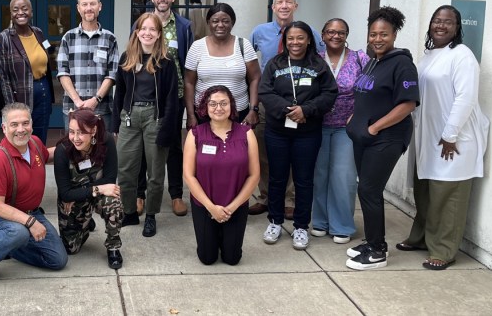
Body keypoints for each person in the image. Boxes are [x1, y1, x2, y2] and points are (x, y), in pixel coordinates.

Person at [398, 5, 489, 270]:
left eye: (448, 22)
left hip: (453, 139)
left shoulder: (462, 56)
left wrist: (450, 135)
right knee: (426, 193)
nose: (441, 25)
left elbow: (466, 98)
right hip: (428, 137)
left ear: (457, 27)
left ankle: (444, 250)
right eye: (437, 20)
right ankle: (421, 238)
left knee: (448, 197)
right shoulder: (430, 54)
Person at [345, 6, 419, 270]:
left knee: (369, 190)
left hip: (387, 137)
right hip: (364, 137)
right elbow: (368, 94)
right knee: (366, 191)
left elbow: (408, 104)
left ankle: (377, 251)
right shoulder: (374, 60)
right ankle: (371, 240)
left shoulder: (402, 64)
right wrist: (355, 116)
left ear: (395, 34)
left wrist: (375, 128)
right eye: (373, 34)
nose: (377, 39)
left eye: (384, 34)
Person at [0, 103, 68, 289]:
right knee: (18, 232)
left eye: (25, 123)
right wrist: (30, 222)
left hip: (31, 212)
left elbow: (48, 155)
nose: (21, 130)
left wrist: (74, 146)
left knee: (57, 260)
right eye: (14, 124)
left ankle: (7, 248)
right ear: (4, 128)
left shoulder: (35, 143)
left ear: (31, 124)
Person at [259, 21, 337, 250]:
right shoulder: (275, 63)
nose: (295, 42)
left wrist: (306, 110)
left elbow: (330, 92)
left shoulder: (318, 64)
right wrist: (288, 111)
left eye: (300, 38)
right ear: (285, 40)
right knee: (277, 178)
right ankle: (274, 221)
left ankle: (301, 226)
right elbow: (265, 91)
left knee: (303, 180)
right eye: (291, 38)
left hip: (308, 133)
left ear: (309, 40)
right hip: (277, 132)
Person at [249, 0, 324, 218]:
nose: (284, 6)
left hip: (301, 103)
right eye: (279, 2)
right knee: (265, 151)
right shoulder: (260, 32)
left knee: (295, 154)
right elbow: (250, 65)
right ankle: (265, 196)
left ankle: (289, 200)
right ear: (273, 7)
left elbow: (321, 63)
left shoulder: (309, 32)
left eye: (288, 2)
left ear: (295, 6)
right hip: (269, 100)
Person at [131, 0, 195, 217]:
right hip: (145, 96)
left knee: (173, 146)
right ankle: (140, 194)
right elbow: (134, 57)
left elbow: (188, 66)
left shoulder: (184, 26)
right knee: (143, 149)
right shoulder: (142, 24)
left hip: (174, 96)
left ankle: (177, 195)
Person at [113, 13, 179, 237]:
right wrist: (116, 123)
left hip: (155, 117)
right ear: (137, 32)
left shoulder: (166, 62)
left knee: (155, 172)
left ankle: (150, 214)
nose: (147, 33)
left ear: (159, 34)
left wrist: (168, 128)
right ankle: (129, 212)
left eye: (152, 29)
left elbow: (171, 98)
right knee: (126, 169)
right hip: (130, 117)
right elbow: (119, 93)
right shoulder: (126, 58)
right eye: (143, 29)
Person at [183, 86, 260, 265]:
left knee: (232, 258)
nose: (218, 108)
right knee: (207, 258)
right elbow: (188, 175)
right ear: (205, 107)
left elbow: (254, 176)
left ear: (232, 106)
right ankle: (213, 232)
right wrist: (211, 208)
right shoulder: (195, 134)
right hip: (204, 205)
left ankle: (223, 233)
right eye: (213, 104)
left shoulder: (246, 133)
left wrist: (232, 208)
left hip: (236, 205)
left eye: (224, 103)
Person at [311, 18, 370, 245]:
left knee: (344, 176)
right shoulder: (314, 59)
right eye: (331, 32)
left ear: (347, 35)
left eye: (341, 32)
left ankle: (342, 224)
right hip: (318, 125)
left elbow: (369, 89)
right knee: (320, 174)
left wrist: (360, 114)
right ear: (323, 35)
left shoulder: (359, 58)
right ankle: (320, 221)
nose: (336, 36)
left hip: (347, 126)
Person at [54, 108, 124, 269]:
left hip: (83, 195)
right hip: (75, 201)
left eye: (81, 132)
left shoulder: (106, 141)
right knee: (71, 249)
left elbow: (110, 180)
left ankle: (113, 247)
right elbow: (65, 193)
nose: (75, 138)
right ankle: (85, 221)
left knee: (112, 199)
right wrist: (96, 189)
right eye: (72, 132)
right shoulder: (62, 151)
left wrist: (84, 191)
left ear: (93, 131)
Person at [185, 2, 261, 129]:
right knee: (206, 148)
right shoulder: (197, 47)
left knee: (237, 148)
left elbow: (255, 79)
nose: (220, 25)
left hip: (238, 113)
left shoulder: (244, 45)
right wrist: (191, 114)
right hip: (204, 115)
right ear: (208, 22)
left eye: (225, 21)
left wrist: (254, 109)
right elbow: (189, 83)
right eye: (215, 21)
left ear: (233, 22)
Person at [57, 0, 119, 130]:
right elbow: (62, 73)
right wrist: (78, 101)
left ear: (100, 6)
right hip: (73, 109)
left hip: (102, 110)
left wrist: (95, 100)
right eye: (84, 4)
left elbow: (112, 74)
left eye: (92, 4)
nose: (89, 8)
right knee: (74, 149)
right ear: (79, 8)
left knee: (102, 149)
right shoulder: (68, 38)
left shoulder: (110, 38)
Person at [0, 0, 54, 143]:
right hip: (19, 94)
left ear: (31, 12)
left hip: (43, 90)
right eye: (15, 10)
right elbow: (3, 77)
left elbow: (48, 55)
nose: (20, 12)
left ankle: (38, 163)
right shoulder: (3, 38)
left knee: (40, 136)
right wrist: (12, 107)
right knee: (20, 137)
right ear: (11, 14)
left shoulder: (38, 32)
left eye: (24, 8)